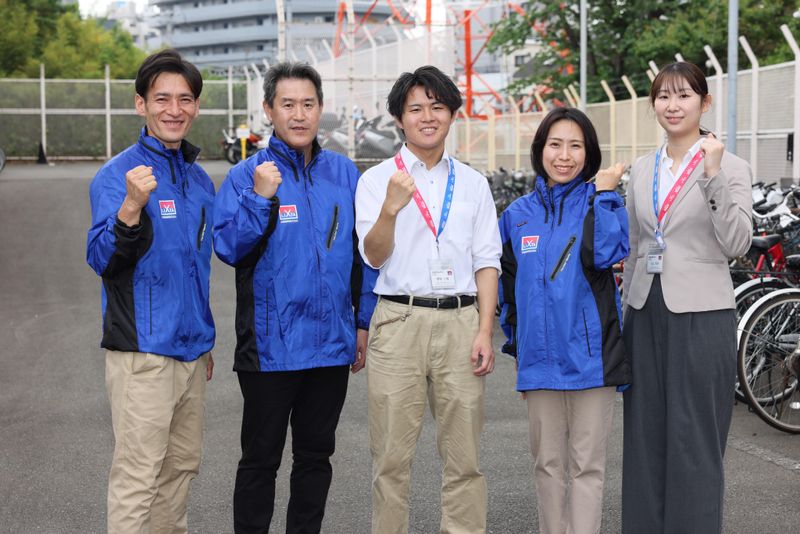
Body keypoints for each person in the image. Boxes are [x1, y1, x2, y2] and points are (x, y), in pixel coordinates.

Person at [212, 62, 376, 534]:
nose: (299, 114)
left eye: (308, 104)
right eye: (287, 104)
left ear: (321, 109)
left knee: (315, 458)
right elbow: (229, 248)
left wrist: (362, 323)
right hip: (269, 350)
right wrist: (261, 199)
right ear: (268, 110)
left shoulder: (343, 172)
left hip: (329, 346)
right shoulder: (247, 176)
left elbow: (364, 255)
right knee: (260, 461)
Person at [355, 65, 502, 534]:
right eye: (415, 108)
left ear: (452, 114)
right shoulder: (377, 181)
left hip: (461, 321)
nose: (427, 116)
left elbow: (487, 261)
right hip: (399, 320)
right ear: (399, 118)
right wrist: (390, 210)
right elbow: (373, 257)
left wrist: (483, 328)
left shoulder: (474, 184)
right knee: (391, 460)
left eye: (437, 106)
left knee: (465, 459)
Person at [85, 49, 215, 533]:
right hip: (142, 353)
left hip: (189, 353)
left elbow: (197, 268)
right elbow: (101, 258)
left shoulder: (200, 181)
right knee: (138, 476)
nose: (174, 109)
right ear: (141, 104)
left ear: (196, 107)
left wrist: (203, 339)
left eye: (185, 99)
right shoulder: (118, 175)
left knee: (179, 471)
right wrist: (130, 209)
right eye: (162, 98)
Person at [621, 61, 753, 533]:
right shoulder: (640, 169)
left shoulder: (732, 166)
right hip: (644, 309)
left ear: (705, 102)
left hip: (703, 313)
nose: (672, 105)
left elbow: (737, 244)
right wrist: (624, 319)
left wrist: (712, 176)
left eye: (683, 95)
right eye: (663, 96)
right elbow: (637, 248)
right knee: (644, 436)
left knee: (694, 437)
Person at [498, 107, 630, 534]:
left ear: (589, 154)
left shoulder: (600, 202)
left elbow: (612, 251)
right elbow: (509, 290)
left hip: (592, 363)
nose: (565, 155)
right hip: (539, 363)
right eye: (555, 144)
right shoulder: (517, 214)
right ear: (540, 150)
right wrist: (519, 350)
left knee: (587, 468)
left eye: (576, 146)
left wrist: (608, 194)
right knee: (547, 466)